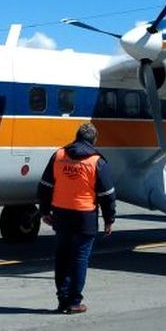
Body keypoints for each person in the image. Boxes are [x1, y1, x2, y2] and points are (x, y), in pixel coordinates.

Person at [37, 121, 116, 314]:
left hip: (61, 214)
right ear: (94, 140)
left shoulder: (59, 155)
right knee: (79, 259)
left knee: (62, 257)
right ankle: (74, 301)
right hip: (85, 216)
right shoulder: (97, 161)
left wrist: (44, 211)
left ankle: (62, 299)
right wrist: (109, 219)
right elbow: (107, 194)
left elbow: (45, 186)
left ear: (76, 136)